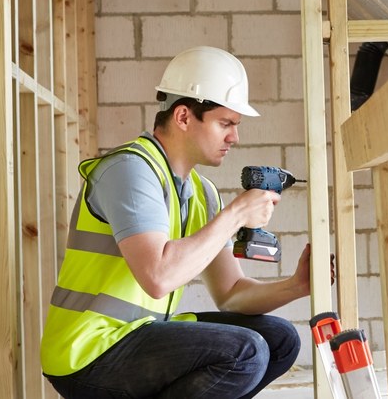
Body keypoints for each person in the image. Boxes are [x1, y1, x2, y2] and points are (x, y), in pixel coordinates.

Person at [41, 46, 318, 398]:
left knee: (279, 340)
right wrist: (235, 215)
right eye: (225, 123)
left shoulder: (202, 193)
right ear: (184, 117)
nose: (235, 137)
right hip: (88, 351)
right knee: (245, 352)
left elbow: (231, 295)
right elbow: (158, 278)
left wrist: (296, 285)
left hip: (141, 335)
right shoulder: (130, 170)